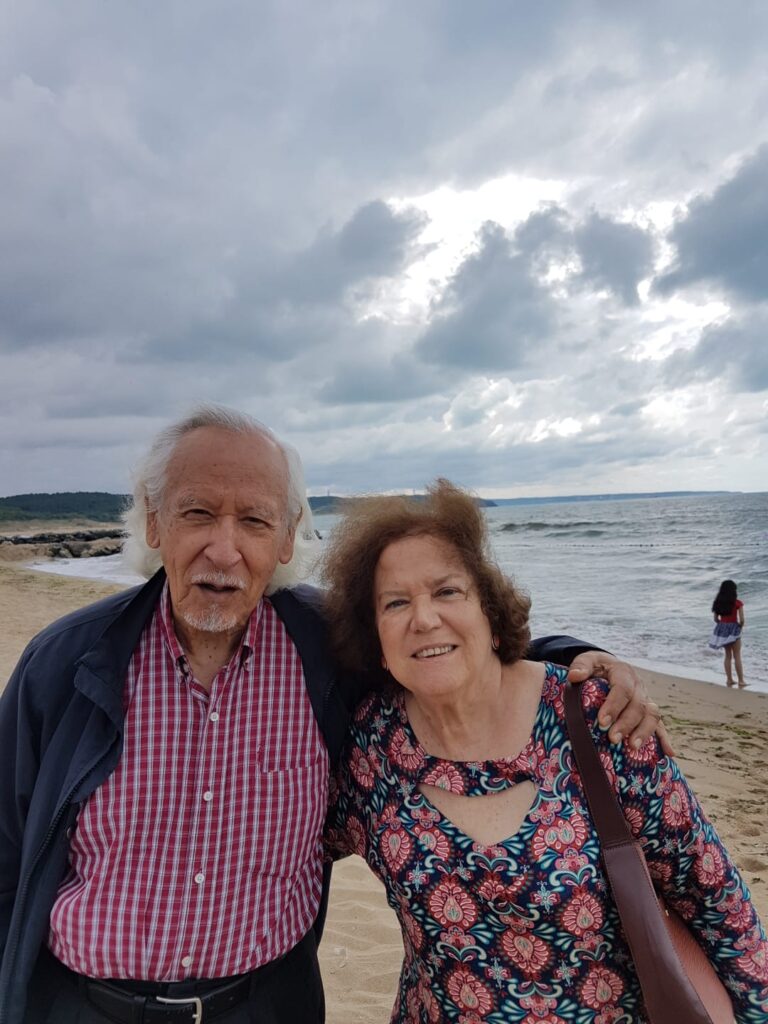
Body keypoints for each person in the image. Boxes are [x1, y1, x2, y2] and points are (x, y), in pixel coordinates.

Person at [0, 406, 665, 1024]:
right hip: (83, 1007)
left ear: (289, 538)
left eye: (255, 521)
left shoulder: (329, 650)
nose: (225, 550)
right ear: (153, 523)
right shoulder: (64, 665)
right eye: (197, 513)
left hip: (267, 1004)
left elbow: (444, 655)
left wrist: (574, 656)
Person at [322, 480, 768, 1023]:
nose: (423, 618)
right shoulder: (370, 749)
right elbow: (291, 849)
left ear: (488, 610)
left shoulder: (599, 718)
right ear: (378, 641)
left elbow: (718, 901)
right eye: (396, 602)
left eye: (446, 592)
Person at [709, 579, 746, 688]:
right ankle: (741, 681)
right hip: (733, 629)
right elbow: (742, 620)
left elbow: (716, 619)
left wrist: (723, 624)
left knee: (728, 655)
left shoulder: (718, 603)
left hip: (723, 629)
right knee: (737, 655)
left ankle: (729, 679)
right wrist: (740, 626)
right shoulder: (737, 603)